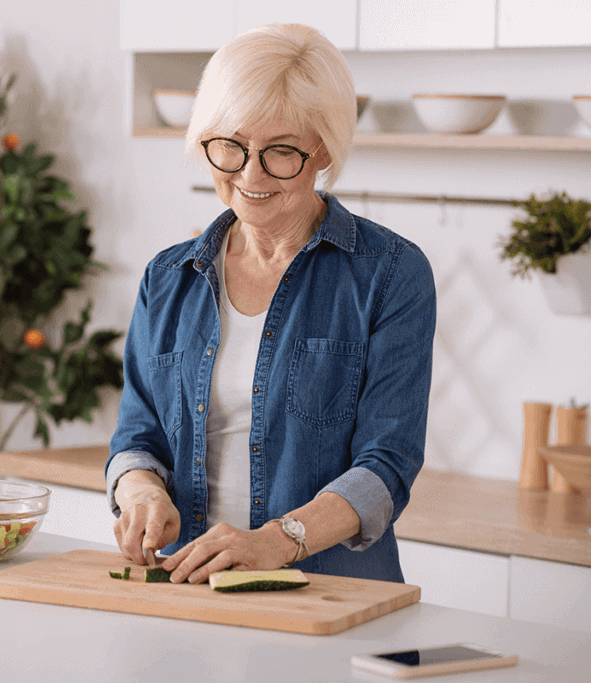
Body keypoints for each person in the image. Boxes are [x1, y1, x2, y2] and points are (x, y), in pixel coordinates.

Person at [106, 23, 436, 585]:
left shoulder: (391, 274)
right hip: (189, 588)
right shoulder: (168, 277)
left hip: (331, 592)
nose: (250, 175)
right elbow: (137, 436)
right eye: (230, 147)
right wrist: (140, 490)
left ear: (324, 148)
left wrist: (277, 543)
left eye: (281, 152)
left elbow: (386, 466)